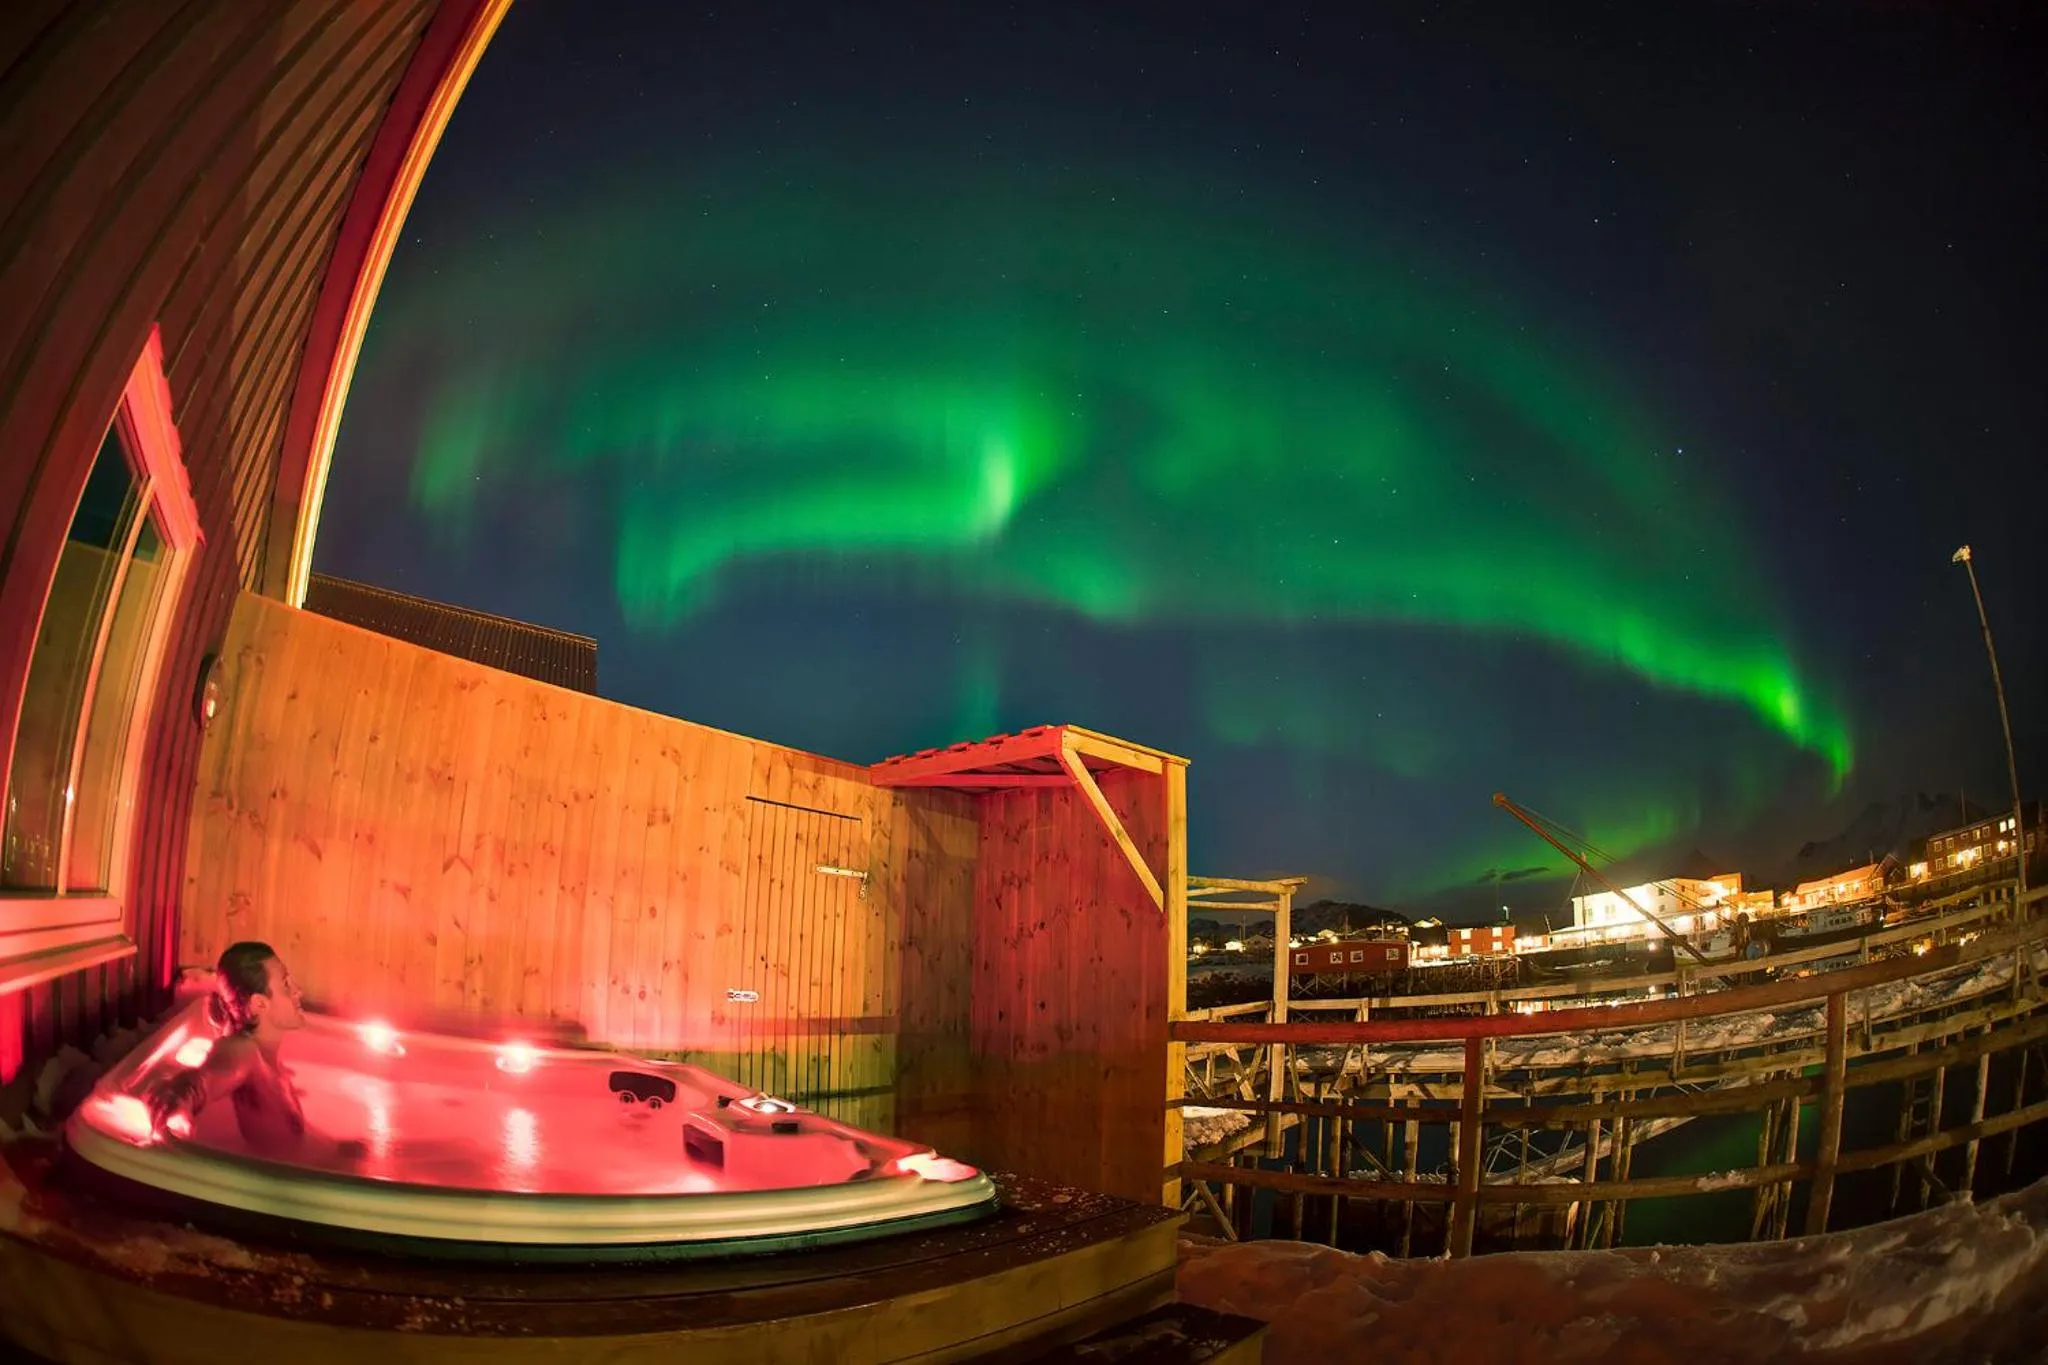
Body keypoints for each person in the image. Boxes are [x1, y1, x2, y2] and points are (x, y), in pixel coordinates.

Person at [148, 941, 310, 1155]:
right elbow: (207, 1079)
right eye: (286, 983)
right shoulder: (245, 1051)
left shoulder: (267, 1056)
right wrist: (179, 1096)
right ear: (259, 1004)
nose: (298, 991)